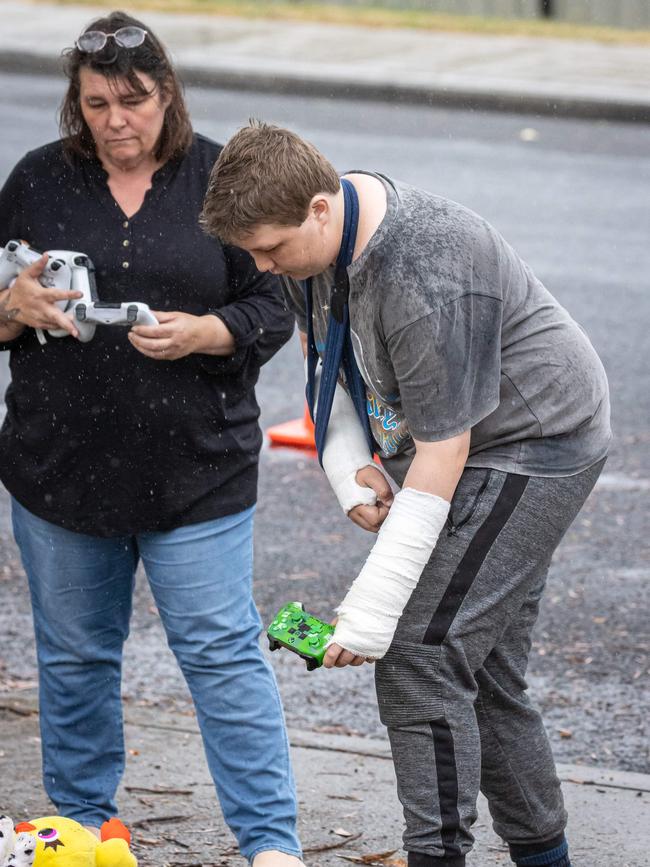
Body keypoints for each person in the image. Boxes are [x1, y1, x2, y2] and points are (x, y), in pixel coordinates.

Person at [200, 121, 611, 867]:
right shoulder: (314, 240)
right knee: (479, 667)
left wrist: (369, 612)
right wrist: (348, 461)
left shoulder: (427, 268)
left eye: (271, 250)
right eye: (252, 252)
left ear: (321, 208)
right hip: (457, 441)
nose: (264, 266)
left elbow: (447, 451)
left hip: (533, 440)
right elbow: (322, 354)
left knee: (421, 654)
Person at [0, 19, 304, 867]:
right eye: (95, 103)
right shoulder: (35, 180)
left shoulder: (221, 177)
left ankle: (272, 844)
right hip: (58, 468)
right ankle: (81, 828)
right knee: (73, 657)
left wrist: (209, 330)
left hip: (196, 469)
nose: (115, 120)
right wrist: (10, 311)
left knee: (221, 653)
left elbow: (275, 306)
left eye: (132, 101)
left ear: (166, 93)